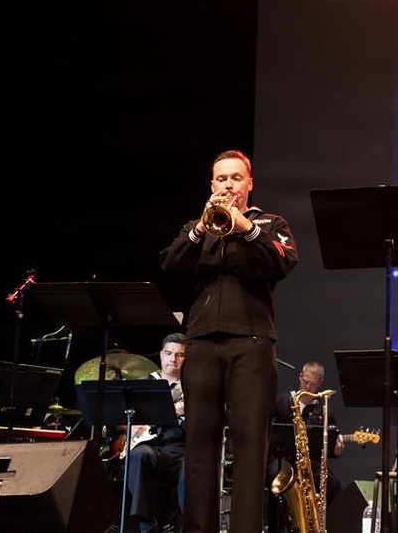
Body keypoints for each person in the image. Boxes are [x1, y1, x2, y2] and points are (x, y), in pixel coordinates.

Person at [159, 149, 299, 533]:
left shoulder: (269, 223)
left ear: (249, 183)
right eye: (221, 179)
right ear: (212, 185)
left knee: (250, 446)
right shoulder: (198, 226)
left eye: (236, 178)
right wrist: (201, 229)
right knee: (199, 446)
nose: (228, 186)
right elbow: (170, 265)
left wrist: (244, 228)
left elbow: (282, 264)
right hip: (202, 343)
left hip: (251, 344)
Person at [267, 360, 345, 532]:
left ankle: (317, 526)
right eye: (305, 381)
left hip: (311, 463)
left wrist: (336, 450)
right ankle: (278, 526)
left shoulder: (324, 412)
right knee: (274, 474)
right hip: (284, 460)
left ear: (320, 383)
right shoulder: (282, 401)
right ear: (300, 377)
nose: (307, 386)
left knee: (330, 483)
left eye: (312, 384)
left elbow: (331, 445)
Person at [124, 332, 187, 533]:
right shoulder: (146, 383)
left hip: (181, 448)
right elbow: (128, 420)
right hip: (153, 445)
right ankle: (146, 525)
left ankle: (185, 527)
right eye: (169, 353)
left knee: (194, 468)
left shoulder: (192, 387)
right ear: (161, 355)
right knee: (139, 456)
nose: (173, 359)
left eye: (179, 355)